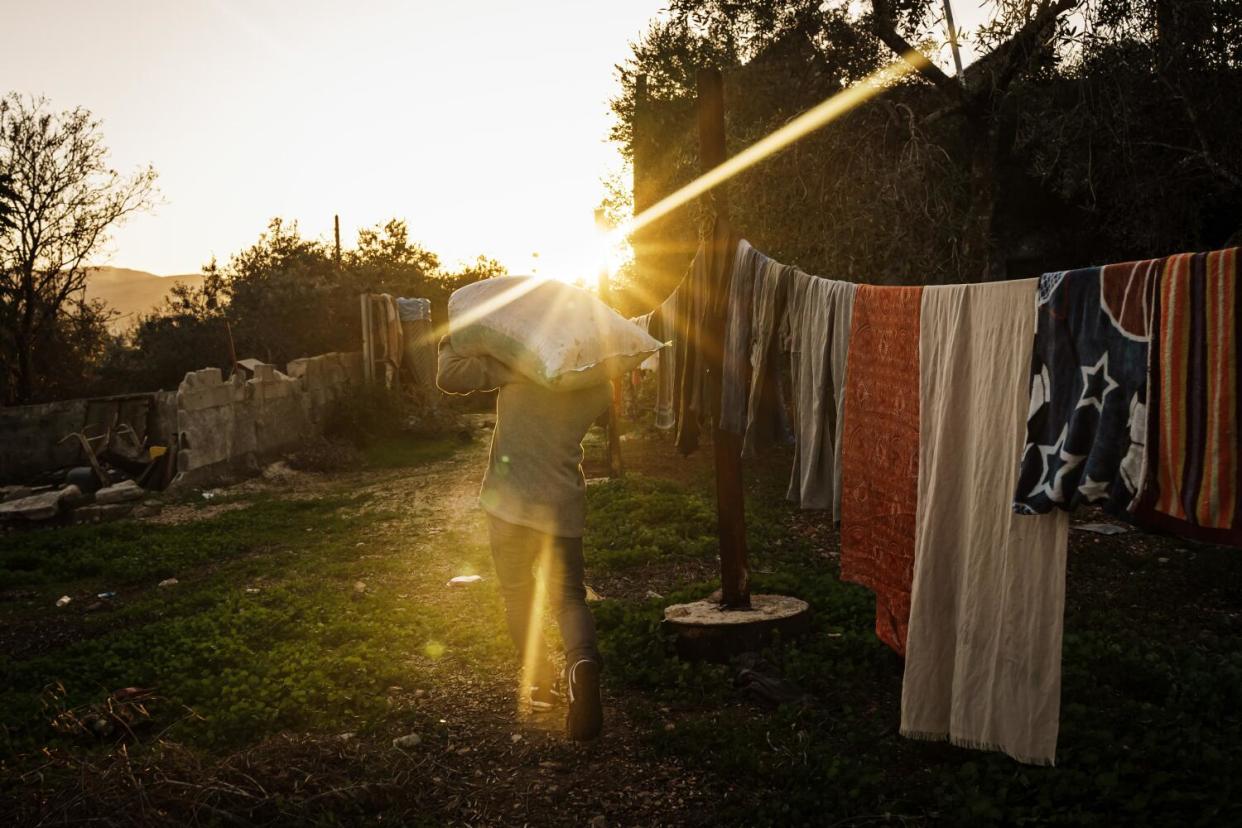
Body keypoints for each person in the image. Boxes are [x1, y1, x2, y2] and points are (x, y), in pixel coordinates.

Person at [436, 336, 611, 741]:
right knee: (569, 598)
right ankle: (582, 665)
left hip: (510, 507)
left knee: (518, 596)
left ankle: (543, 684)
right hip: (562, 503)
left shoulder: (520, 362)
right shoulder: (599, 383)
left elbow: (448, 375)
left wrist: (454, 336)